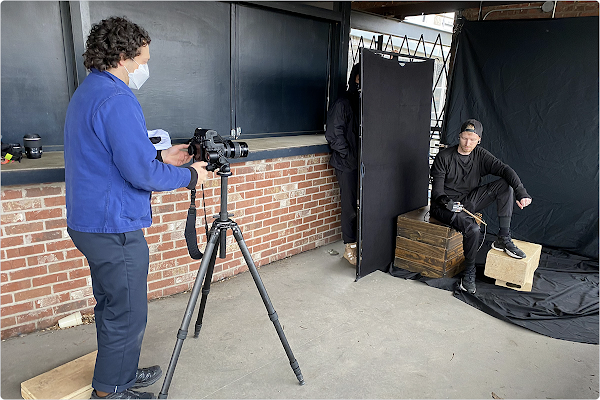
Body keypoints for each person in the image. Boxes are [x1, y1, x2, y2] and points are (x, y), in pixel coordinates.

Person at [64, 17, 208, 399]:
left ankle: (120, 372)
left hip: (91, 222)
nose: (146, 65)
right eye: (144, 57)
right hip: (113, 226)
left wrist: (163, 155)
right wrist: (191, 177)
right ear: (125, 56)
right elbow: (141, 174)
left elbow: (112, 155)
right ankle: (111, 391)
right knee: (126, 312)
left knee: (113, 304)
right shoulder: (117, 98)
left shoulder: (91, 91)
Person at [430, 119, 532, 294]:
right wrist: (448, 203)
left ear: (479, 140)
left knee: (506, 185)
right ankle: (469, 272)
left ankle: (503, 238)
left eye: (472, 139)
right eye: (464, 138)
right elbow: (437, 193)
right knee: (473, 229)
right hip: (445, 205)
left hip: (469, 200)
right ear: (459, 136)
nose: (467, 143)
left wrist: (521, 191)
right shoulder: (444, 157)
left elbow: (505, 169)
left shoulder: (480, 155)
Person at [325, 63, 361, 266]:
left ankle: (360, 243)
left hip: (363, 163)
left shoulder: (364, 101)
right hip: (347, 164)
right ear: (355, 78)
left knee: (362, 205)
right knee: (349, 207)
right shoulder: (343, 102)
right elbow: (333, 134)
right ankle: (350, 248)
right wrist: (348, 155)